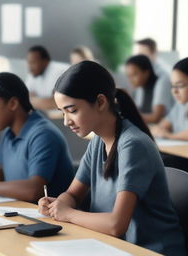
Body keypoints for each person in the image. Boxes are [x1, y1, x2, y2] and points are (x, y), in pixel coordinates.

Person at [38, 61, 186, 256]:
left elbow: (117, 225)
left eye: (72, 110)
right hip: (114, 247)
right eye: (62, 112)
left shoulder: (133, 145)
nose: (66, 121)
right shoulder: (98, 142)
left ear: (100, 102)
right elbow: (73, 194)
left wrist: (69, 213)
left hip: (150, 251)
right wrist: (60, 204)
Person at [0, 72, 74, 201]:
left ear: (12, 104)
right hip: (21, 210)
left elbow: (34, 190)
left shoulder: (43, 135)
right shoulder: (9, 133)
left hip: (48, 217)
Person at [151, 57, 188, 171]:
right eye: (173, 86)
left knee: (161, 162)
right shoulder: (180, 105)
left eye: (180, 85)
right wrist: (159, 130)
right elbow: (162, 126)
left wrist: (169, 135)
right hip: (179, 156)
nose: (174, 91)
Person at [125, 55, 173, 123]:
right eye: (128, 76)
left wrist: (127, 117)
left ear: (146, 72)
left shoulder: (162, 82)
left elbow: (155, 118)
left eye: (134, 75)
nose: (130, 80)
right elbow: (137, 111)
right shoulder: (140, 86)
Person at [26, 45, 69, 110]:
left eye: (33, 62)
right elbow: (25, 95)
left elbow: (55, 103)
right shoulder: (33, 73)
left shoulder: (60, 72)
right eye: (29, 63)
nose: (30, 67)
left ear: (45, 61)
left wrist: (32, 100)